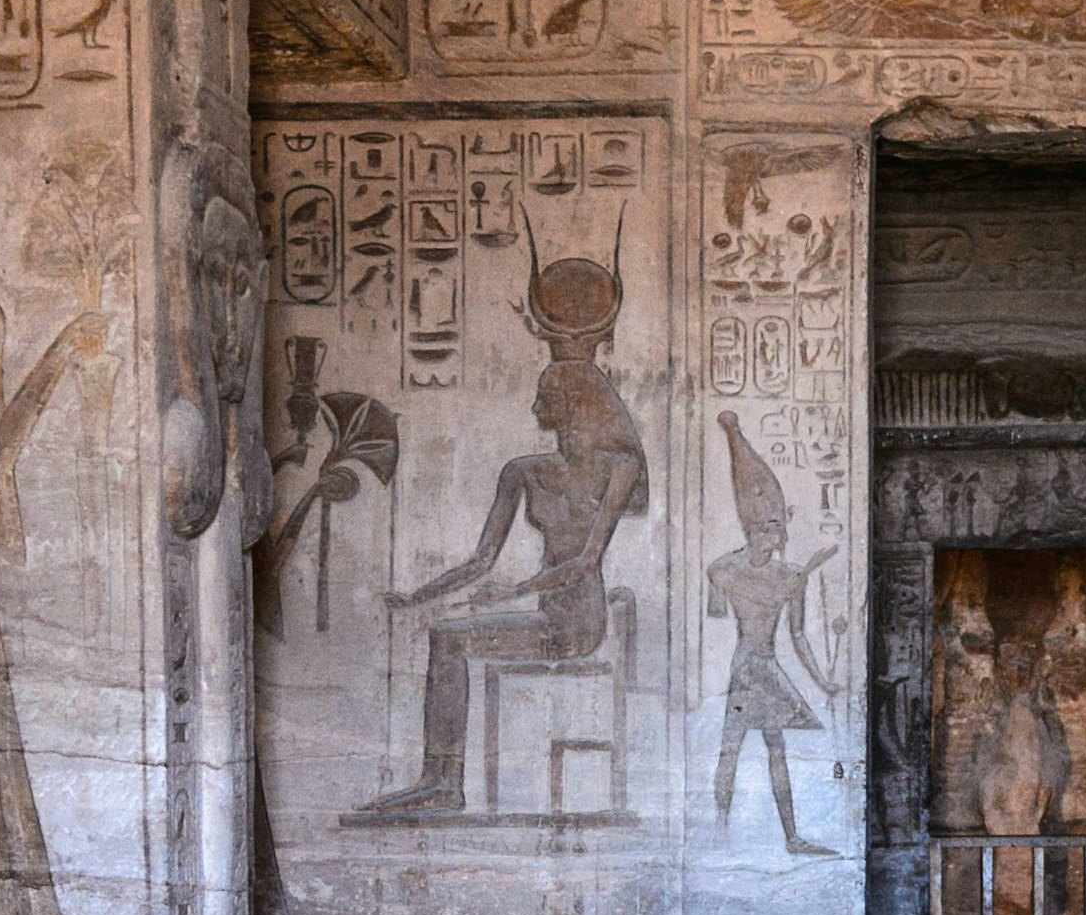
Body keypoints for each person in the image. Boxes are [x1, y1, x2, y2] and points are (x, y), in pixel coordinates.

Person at [346, 255, 650, 822]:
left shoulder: (618, 468)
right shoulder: (523, 470)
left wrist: (510, 594)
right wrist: (418, 597)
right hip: (544, 614)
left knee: (452, 641)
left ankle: (441, 783)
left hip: (576, 625)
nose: (537, 408)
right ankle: (437, 780)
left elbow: (586, 562)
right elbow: (480, 560)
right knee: (445, 632)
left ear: (576, 403)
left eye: (547, 397)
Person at [702, 414, 836, 857]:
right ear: (753, 529)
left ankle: (790, 836)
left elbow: (799, 638)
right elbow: (718, 612)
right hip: (748, 669)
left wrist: (822, 683)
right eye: (770, 526)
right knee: (731, 750)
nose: (778, 533)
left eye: (779, 525)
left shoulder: (785, 576)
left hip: (761, 667)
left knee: (772, 751)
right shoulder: (728, 571)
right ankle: (720, 830)